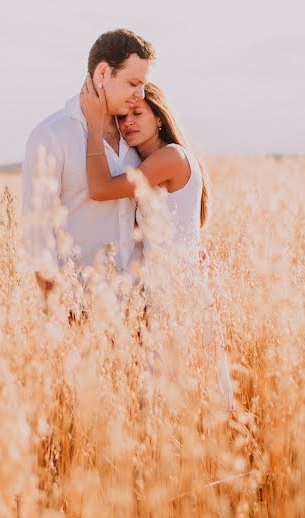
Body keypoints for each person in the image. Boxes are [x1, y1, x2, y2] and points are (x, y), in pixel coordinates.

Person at [79, 78, 234, 411]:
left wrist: (94, 126)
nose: (128, 123)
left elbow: (101, 188)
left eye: (138, 113)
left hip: (179, 295)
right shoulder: (150, 163)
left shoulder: (171, 158)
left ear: (160, 117)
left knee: (192, 397)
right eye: (122, 117)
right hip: (162, 293)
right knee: (167, 401)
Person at [20, 28, 155, 304]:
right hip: (80, 307)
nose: (140, 94)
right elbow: (37, 238)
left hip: (136, 311)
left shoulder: (136, 134)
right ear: (103, 73)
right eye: (133, 83)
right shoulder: (51, 135)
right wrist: (61, 313)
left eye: (142, 85)